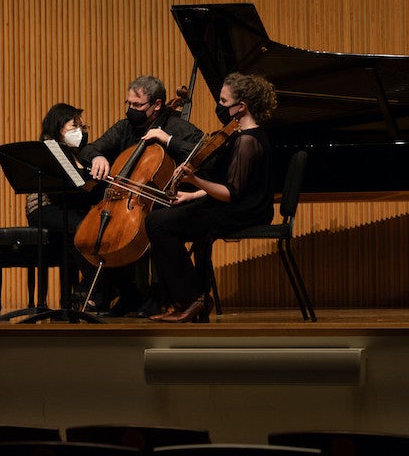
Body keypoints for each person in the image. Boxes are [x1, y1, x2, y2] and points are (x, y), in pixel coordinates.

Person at [144, 72, 278, 323]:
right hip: (237, 205)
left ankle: (192, 297)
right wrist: (193, 194)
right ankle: (189, 296)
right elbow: (231, 185)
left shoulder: (248, 141)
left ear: (242, 106)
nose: (220, 106)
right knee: (160, 219)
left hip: (245, 211)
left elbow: (230, 193)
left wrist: (194, 179)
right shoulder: (239, 135)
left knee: (158, 223)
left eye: (224, 102)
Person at [77, 75, 206, 316]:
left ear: (157, 105)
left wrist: (168, 140)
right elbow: (90, 148)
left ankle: (157, 297)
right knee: (103, 233)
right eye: (128, 104)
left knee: (152, 225)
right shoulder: (124, 127)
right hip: (127, 200)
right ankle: (129, 295)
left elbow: (204, 149)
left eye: (137, 106)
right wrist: (97, 156)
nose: (131, 110)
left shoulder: (176, 127)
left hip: (167, 201)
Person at [25, 103, 99, 309]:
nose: (81, 132)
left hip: (69, 207)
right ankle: (93, 289)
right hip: (45, 208)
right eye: (74, 126)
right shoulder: (51, 148)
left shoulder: (80, 153)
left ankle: (88, 290)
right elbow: (74, 185)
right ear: (58, 127)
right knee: (82, 228)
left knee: (94, 228)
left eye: (83, 127)